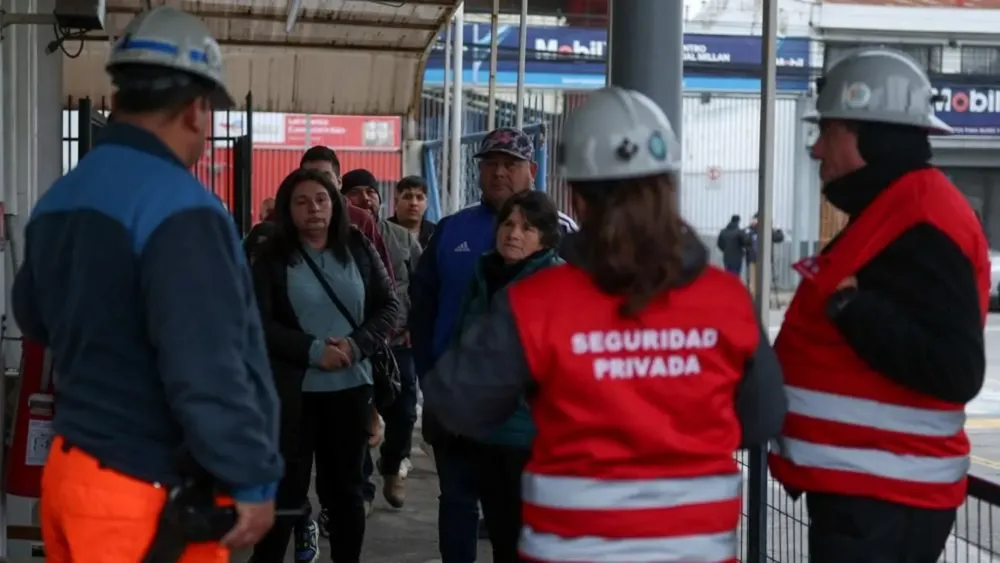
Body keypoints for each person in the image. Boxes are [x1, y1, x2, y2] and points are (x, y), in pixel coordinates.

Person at [421, 86, 786, 563]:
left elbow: (457, 405)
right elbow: (762, 419)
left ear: (577, 195)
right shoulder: (726, 299)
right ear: (668, 185)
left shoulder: (535, 302)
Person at [13, 7, 282, 562]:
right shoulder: (182, 209)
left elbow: (33, 316)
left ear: (118, 97)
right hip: (144, 496)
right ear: (196, 108)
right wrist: (251, 477)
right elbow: (208, 368)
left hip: (70, 475)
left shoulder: (59, 199)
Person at [766, 47, 989, 563]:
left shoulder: (923, 220)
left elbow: (956, 369)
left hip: (884, 499)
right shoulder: (898, 209)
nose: (815, 150)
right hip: (871, 492)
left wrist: (853, 310)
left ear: (864, 135)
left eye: (826, 131)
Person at [409, 126, 578, 563]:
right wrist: (431, 377)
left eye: (510, 164)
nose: (499, 172)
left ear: (531, 170)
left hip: (526, 422)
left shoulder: (564, 234)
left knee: (517, 524)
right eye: (491, 164)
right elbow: (423, 309)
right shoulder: (452, 230)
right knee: (457, 502)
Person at [250, 168, 399, 563]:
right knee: (285, 494)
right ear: (287, 210)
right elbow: (256, 322)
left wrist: (355, 345)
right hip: (293, 395)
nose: (313, 209)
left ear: (335, 204)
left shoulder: (358, 245)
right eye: (301, 202)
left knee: (346, 494)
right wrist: (314, 351)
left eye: (321, 199)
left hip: (351, 390)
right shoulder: (271, 257)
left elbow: (389, 306)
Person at [450, 189, 564, 563]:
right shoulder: (485, 272)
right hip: (487, 435)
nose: (513, 234)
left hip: (533, 440)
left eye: (527, 228)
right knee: (501, 539)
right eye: (508, 224)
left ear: (545, 238)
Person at [341, 169, 423, 512]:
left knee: (404, 412)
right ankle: (363, 489)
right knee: (357, 416)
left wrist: (416, 324)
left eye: (371, 192)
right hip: (357, 343)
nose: (365, 198)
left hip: (398, 342)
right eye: (356, 192)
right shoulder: (337, 238)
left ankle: (392, 465)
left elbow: (423, 284)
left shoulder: (402, 239)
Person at [388, 175, 436, 248]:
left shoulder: (436, 234)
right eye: (407, 197)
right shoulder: (382, 232)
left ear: (426, 203)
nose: (414, 203)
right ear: (396, 202)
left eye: (419, 198)